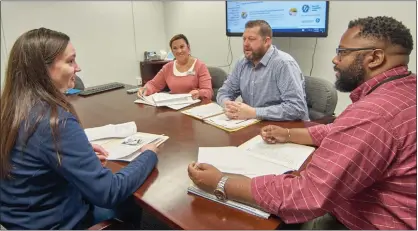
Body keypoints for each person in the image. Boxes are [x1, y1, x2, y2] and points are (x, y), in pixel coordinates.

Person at [188, 16, 416, 230]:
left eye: (342, 52)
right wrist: (288, 134)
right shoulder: (401, 92)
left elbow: (307, 195)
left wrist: (221, 182)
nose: (335, 59)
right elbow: (341, 130)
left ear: (375, 58)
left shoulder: (373, 114)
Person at [0, 27, 159, 229]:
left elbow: (31, 156)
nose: (78, 68)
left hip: (23, 219)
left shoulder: (9, 109)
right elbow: (108, 192)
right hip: (60, 223)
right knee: (132, 202)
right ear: (43, 69)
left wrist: (70, 153)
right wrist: (148, 155)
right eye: (70, 61)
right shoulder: (53, 121)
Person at [216, 20, 309, 121]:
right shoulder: (242, 62)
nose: (245, 44)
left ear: (266, 41)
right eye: (244, 39)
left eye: (251, 39)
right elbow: (224, 92)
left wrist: (254, 112)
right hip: (252, 123)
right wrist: (228, 105)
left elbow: (296, 108)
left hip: (286, 128)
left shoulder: (284, 64)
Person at [137, 34, 213, 100]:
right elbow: (153, 84)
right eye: (175, 48)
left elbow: (209, 92)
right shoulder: (167, 68)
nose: (179, 51)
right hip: (175, 108)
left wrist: (199, 93)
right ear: (172, 51)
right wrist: (145, 89)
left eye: (182, 46)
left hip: (195, 107)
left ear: (188, 47)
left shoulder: (200, 66)